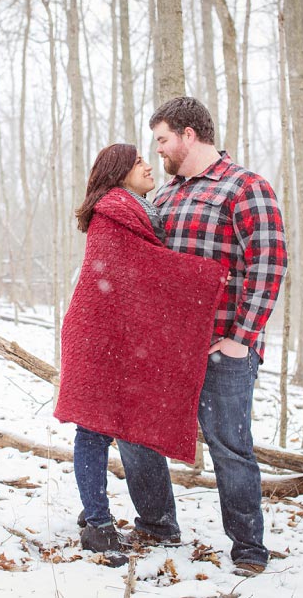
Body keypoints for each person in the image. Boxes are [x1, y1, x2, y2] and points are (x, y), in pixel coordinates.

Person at [116, 97, 287, 577]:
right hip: (166, 348)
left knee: (229, 446)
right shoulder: (165, 197)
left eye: (164, 140)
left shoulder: (244, 187)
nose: (160, 151)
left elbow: (269, 263)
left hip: (222, 349)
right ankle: (156, 523)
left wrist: (242, 338)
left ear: (189, 135)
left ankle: (249, 546)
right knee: (135, 432)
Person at [54, 143, 227, 565]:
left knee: (109, 425)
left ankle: (93, 506)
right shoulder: (114, 212)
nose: (148, 165)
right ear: (119, 173)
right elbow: (144, 270)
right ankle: (97, 524)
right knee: (93, 430)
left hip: (112, 338)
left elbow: (139, 276)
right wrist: (208, 276)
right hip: (96, 338)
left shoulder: (135, 210)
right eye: (137, 162)